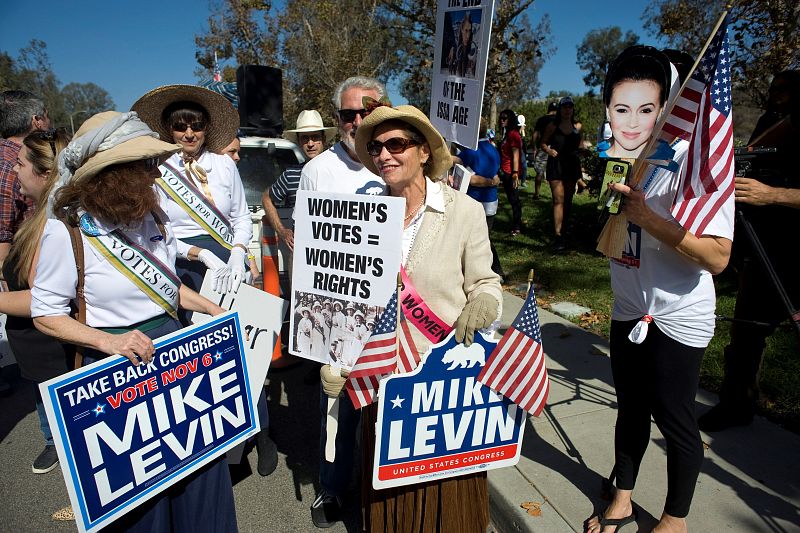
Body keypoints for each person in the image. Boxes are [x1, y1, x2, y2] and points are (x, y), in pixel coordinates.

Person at [29, 111, 238, 532]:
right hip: (115, 375)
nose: (156, 172)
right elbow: (46, 313)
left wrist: (209, 308)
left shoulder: (153, 216)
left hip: (177, 360)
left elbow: (168, 287)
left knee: (200, 481)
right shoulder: (67, 231)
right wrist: (110, 344)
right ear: (111, 173)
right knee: (140, 502)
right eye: (144, 165)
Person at [585, 47, 733, 533]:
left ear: (669, 106)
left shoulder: (698, 163)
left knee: (675, 420)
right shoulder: (618, 154)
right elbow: (614, 227)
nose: (631, 121)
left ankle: (675, 518)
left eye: (647, 108)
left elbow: (717, 257)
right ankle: (622, 499)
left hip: (677, 314)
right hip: (630, 307)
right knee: (629, 410)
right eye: (620, 107)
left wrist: (651, 219)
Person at [354, 103, 502, 532]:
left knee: (446, 499)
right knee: (391, 494)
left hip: (442, 383)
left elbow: (485, 281)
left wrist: (485, 303)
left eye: (396, 144)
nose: (384, 154)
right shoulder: (362, 213)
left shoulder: (464, 211)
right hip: (384, 375)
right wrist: (338, 359)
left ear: (423, 152)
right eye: (377, 146)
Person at [298, 76, 387, 528]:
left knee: (386, 406)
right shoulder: (318, 172)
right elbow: (310, 254)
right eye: (347, 114)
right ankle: (332, 487)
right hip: (339, 314)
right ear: (337, 121)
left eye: (365, 112)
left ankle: (382, 488)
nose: (356, 121)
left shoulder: (394, 158)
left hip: (394, 311)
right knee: (338, 405)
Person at [698, 69, 800, 432]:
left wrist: (772, 195)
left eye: (785, 91)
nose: (776, 95)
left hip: (796, 250)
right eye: (774, 88)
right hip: (764, 246)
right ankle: (736, 404)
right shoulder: (770, 122)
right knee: (745, 334)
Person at [131, 84, 252, 310]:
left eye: (196, 126)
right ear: (169, 129)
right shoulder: (157, 169)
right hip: (183, 264)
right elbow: (156, 233)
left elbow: (241, 217)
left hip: (228, 259)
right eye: (180, 127)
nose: (189, 134)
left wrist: (238, 253)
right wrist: (200, 254)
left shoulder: (224, 163)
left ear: (206, 128)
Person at [1, 128, 73, 476]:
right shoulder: (37, 215)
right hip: (34, 348)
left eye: (19, 165)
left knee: (56, 405)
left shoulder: (51, 225)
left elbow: (40, 301)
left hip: (47, 348)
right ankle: (54, 440)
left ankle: (59, 444)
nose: (13, 172)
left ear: (43, 173)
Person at [263, 109, 337, 253]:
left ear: (323, 139)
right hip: (301, 257)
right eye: (305, 138)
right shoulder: (291, 174)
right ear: (299, 141)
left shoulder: (339, 172)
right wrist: (282, 231)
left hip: (333, 256)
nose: (310, 143)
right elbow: (267, 198)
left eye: (315, 137)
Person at [453, 122, 504, 279]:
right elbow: (495, 175)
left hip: (474, 201)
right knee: (485, 238)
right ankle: (494, 271)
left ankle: (493, 271)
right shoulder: (493, 150)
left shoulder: (470, 152)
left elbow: (470, 179)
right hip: (491, 201)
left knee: (477, 240)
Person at [541, 96, 585, 250]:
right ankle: (558, 236)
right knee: (558, 200)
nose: (567, 109)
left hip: (571, 165)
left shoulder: (578, 126)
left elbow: (580, 146)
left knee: (568, 201)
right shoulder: (552, 126)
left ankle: (565, 232)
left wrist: (585, 151)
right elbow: (542, 143)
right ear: (560, 109)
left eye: (570, 107)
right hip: (556, 164)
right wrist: (548, 149)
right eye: (564, 107)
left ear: (573, 109)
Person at [218, 134, 260, 283]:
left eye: (238, 152)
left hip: (232, 256)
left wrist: (249, 259)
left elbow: (238, 221)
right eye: (232, 152)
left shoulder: (231, 175)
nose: (237, 157)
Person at [498, 109, 523, 236]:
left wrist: (514, 173)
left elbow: (516, 155)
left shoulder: (513, 134)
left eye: (505, 118)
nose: (502, 120)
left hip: (510, 172)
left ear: (511, 120)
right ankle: (516, 224)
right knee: (512, 198)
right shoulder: (506, 134)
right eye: (501, 117)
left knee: (514, 200)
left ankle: (517, 226)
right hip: (505, 171)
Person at [531, 101, 558, 200]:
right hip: (555, 149)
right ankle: (554, 196)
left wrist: (534, 148)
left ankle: (537, 194)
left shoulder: (541, 119)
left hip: (543, 148)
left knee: (539, 173)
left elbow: (534, 135)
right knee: (554, 173)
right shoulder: (558, 120)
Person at [447, 12, 477, 78]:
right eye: (466, 30)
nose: (468, 36)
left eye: (469, 31)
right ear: (462, 30)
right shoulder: (455, 50)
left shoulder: (474, 52)